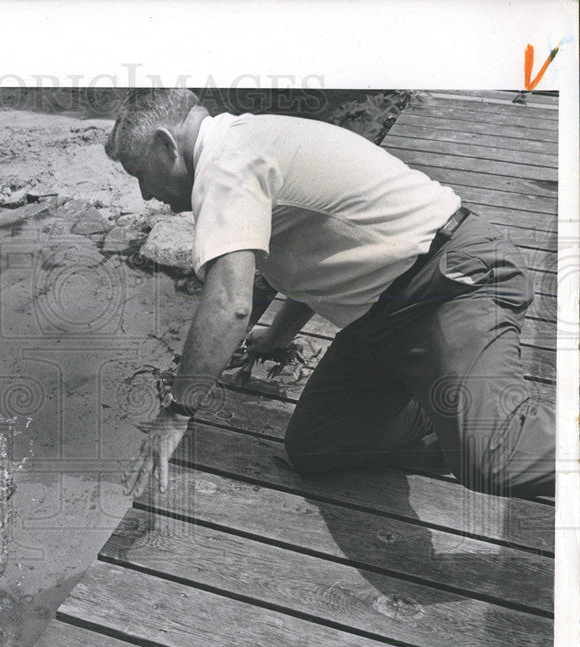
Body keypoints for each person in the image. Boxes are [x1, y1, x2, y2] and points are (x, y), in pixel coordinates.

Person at [108, 88, 555, 500]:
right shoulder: (241, 144)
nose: (146, 193)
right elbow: (313, 259)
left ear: (167, 145)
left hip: (449, 283)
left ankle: (483, 432)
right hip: (386, 316)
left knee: (494, 461)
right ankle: (453, 419)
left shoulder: (226, 166)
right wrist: (277, 339)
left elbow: (230, 305)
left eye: (140, 174)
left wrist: (178, 412)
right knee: (316, 446)